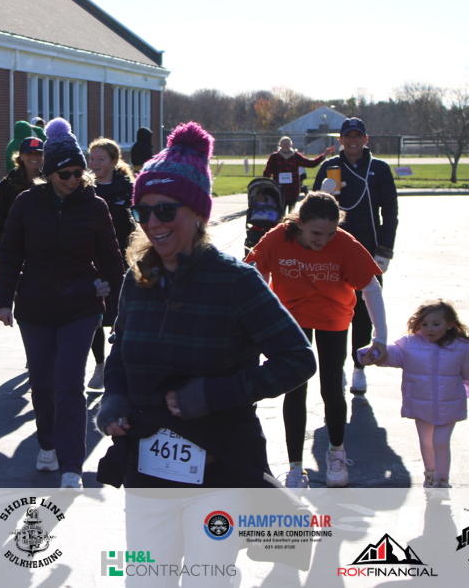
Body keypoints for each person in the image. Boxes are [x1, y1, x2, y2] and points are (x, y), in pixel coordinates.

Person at [94, 122, 316, 577]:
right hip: (146, 474)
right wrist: (114, 398)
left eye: (166, 210)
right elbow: (119, 354)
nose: (153, 222)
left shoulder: (236, 282)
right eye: (143, 210)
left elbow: (298, 359)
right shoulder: (137, 281)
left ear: (197, 213)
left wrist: (215, 395)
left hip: (218, 474)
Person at [0, 117, 124, 491]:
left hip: (80, 306)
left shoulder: (95, 207)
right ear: (49, 173)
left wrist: (121, 306)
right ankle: (47, 444)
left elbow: (111, 257)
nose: (72, 180)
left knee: (69, 384)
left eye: (78, 173)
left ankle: (71, 466)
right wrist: (3, 300)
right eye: (65, 174)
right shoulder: (26, 204)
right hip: (34, 307)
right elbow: (10, 253)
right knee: (42, 384)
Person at [246, 191, 386, 488]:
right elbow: (254, 278)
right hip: (291, 321)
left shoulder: (345, 244)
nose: (323, 241)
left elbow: (371, 288)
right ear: (299, 222)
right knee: (294, 389)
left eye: (330, 233)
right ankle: (295, 468)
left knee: (331, 387)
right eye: (316, 233)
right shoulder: (277, 238)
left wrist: (381, 338)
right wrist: (258, 326)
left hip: (332, 318)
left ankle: (336, 453)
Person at [313, 117, 398, 396]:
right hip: (332, 250)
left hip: (368, 249)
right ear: (340, 140)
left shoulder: (379, 169)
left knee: (364, 312)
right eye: (347, 136)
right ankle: (335, 366)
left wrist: (385, 250)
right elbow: (312, 210)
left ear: (365, 139)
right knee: (333, 310)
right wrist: (322, 194)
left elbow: (390, 212)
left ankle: (359, 366)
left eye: (357, 136)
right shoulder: (330, 167)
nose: (353, 141)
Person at [359, 299, 469, 489]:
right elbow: (391, 354)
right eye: (424, 324)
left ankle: (442, 479)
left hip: (449, 405)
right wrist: (371, 354)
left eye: (436, 324)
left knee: (440, 441)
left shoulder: (462, 346)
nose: (429, 329)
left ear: (450, 324)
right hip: (420, 405)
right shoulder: (410, 345)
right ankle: (430, 473)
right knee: (426, 442)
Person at [86, 137, 136, 390]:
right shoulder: (84, 189)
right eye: (92, 158)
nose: (94, 163)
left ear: (114, 161)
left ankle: (121, 366)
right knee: (94, 314)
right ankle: (100, 365)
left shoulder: (128, 189)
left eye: (101, 159)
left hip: (123, 260)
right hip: (93, 260)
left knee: (122, 314)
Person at [0, 136, 43, 245]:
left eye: (38, 153)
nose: (34, 157)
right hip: (13, 246)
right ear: (21, 156)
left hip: (42, 247)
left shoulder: (51, 183)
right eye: (29, 153)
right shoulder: (7, 186)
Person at [262, 136, 335, 213]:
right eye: (283, 144)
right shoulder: (274, 157)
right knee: (279, 212)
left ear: (291, 145)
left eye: (287, 144)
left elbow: (310, 163)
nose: (285, 146)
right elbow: (267, 172)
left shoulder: (296, 156)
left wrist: (323, 156)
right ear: (280, 145)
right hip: (279, 190)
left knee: (292, 212)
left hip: (293, 190)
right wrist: (264, 185)